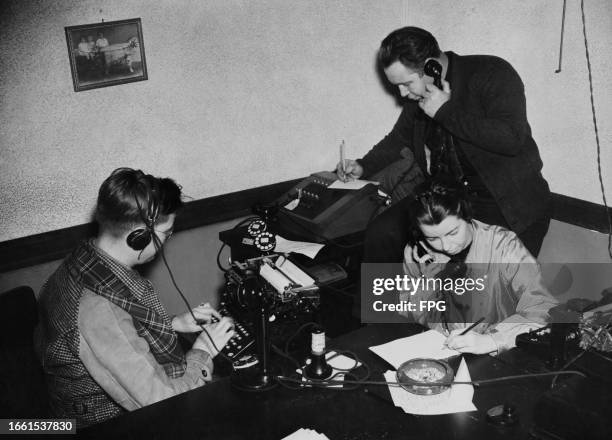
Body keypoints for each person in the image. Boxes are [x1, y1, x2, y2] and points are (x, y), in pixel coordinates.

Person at [36, 168, 235, 427]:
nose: (167, 240)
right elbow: (165, 405)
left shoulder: (81, 261)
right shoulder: (98, 311)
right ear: (139, 237)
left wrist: (172, 323)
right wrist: (202, 351)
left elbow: (116, 327)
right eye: (167, 233)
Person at [336, 26, 551, 261]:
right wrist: (362, 166)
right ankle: (377, 299)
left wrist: (445, 111)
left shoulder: (491, 72)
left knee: (473, 288)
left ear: (431, 66)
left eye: (406, 84)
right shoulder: (420, 95)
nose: (402, 94)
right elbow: (398, 138)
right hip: (449, 200)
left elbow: (512, 139)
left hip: (505, 205)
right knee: (382, 233)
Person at [401, 179, 557, 354]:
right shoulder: (418, 253)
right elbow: (409, 310)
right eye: (432, 238)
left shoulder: (504, 246)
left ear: (467, 215)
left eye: (453, 232)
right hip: (443, 349)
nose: (445, 246)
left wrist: (493, 341)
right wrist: (428, 285)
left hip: (500, 352)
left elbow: (543, 309)